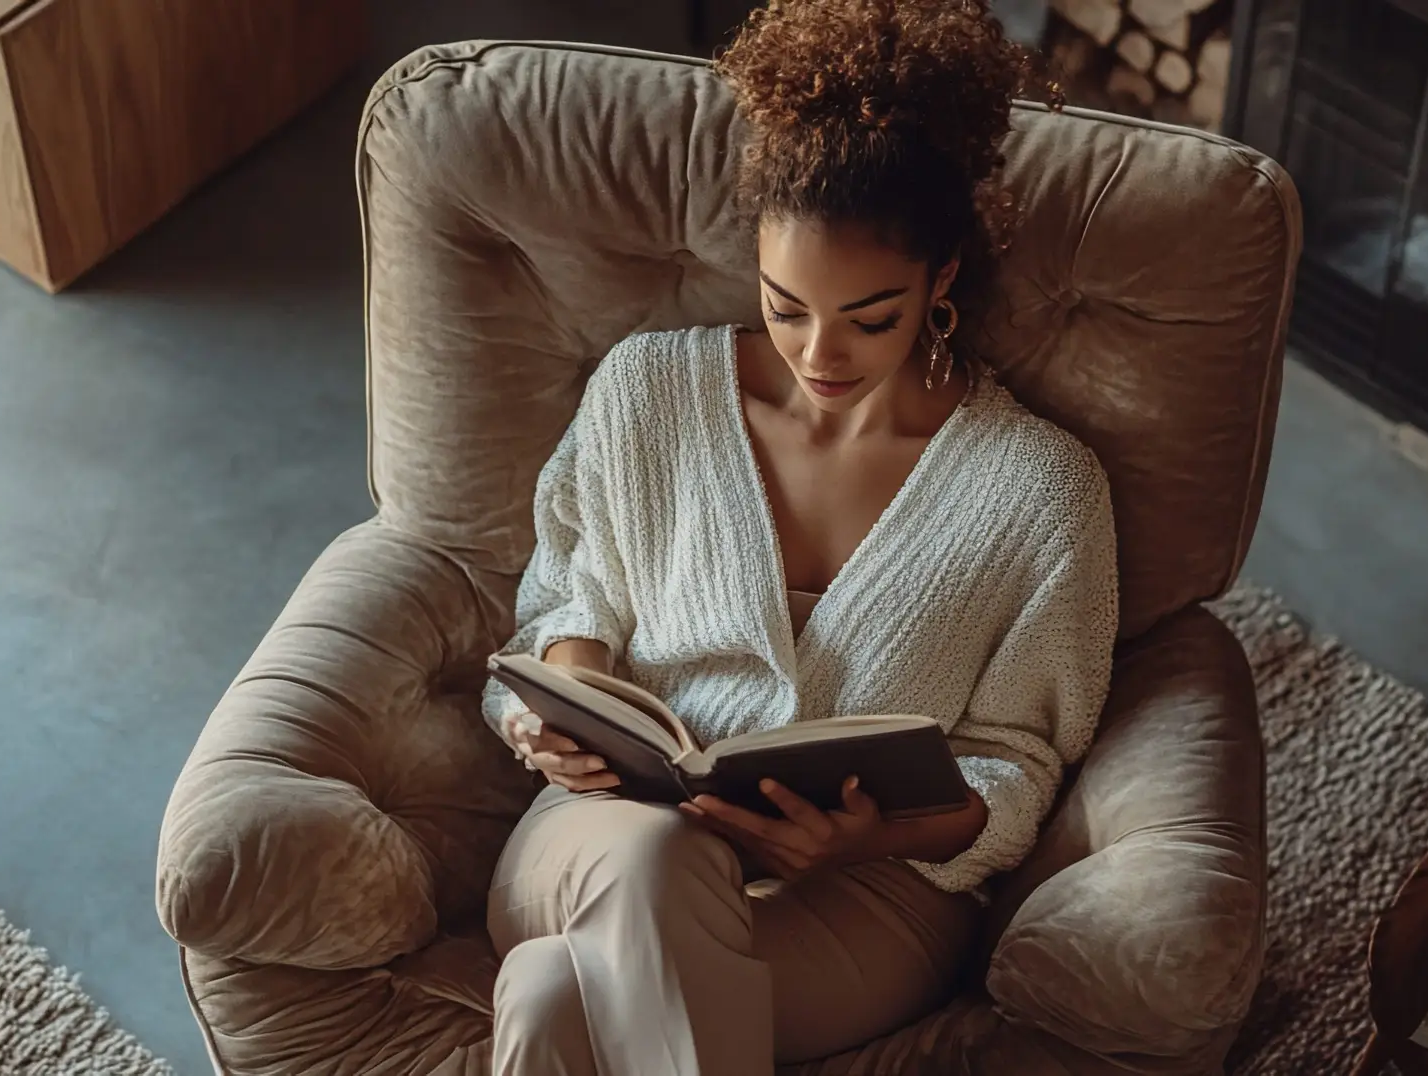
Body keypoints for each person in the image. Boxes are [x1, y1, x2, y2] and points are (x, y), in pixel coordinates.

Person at [479, 2, 1118, 1072]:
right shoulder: (648, 389)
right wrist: (566, 708)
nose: (820, 353)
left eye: (870, 317)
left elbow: (1019, 759)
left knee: (549, 998)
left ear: (941, 282)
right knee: (655, 861)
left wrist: (873, 836)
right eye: (785, 307)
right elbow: (570, 600)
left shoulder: (1043, 491)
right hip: (604, 835)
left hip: (870, 894)